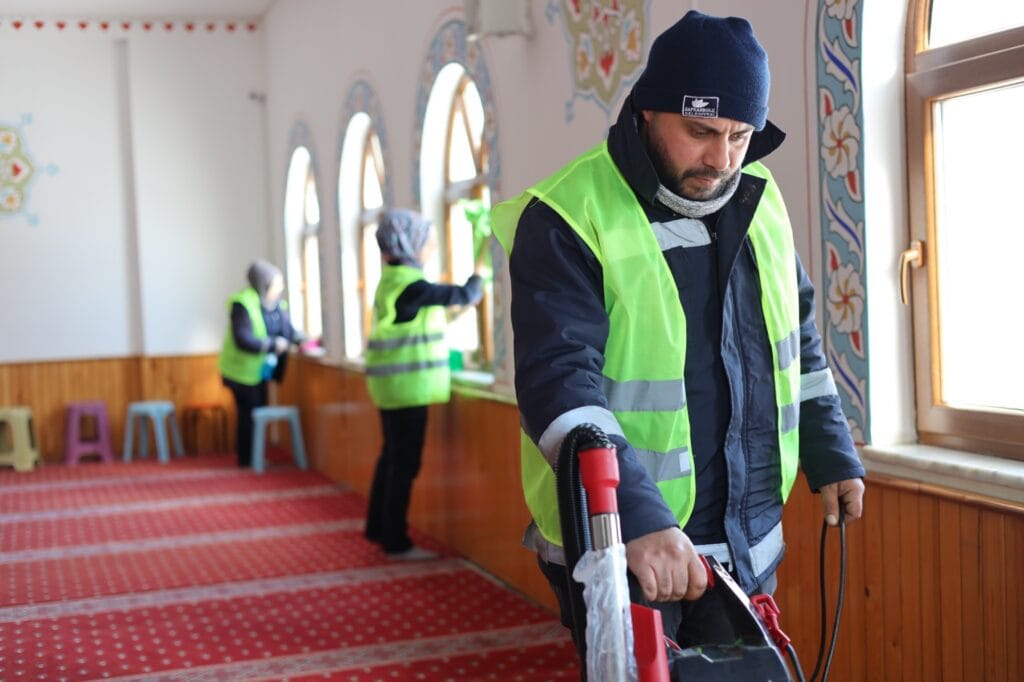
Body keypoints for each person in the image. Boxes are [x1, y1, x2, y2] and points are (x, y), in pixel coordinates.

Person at [492, 9, 866, 669]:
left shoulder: (758, 197)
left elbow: (796, 334)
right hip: (626, 543)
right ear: (645, 112)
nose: (721, 160)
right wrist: (640, 520)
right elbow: (560, 385)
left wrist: (828, 448)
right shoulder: (567, 216)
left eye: (740, 136)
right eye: (699, 132)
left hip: (746, 536)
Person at [364, 208, 483, 561]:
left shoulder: (396, 282)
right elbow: (463, 295)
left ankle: (377, 528)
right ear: (410, 244)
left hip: (393, 388)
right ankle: (395, 541)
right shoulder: (411, 286)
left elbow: (433, 311)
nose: (432, 246)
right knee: (403, 465)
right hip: (406, 390)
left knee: (391, 459)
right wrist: (480, 273)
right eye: (428, 240)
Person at [218, 260, 305, 468]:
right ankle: (247, 459)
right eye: (277, 283)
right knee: (249, 415)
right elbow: (243, 339)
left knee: (256, 413)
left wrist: (306, 339)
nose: (280, 288)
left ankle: (253, 457)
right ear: (264, 283)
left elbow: (289, 331)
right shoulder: (243, 304)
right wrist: (272, 344)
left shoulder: (277, 306)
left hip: (259, 372)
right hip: (239, 372)